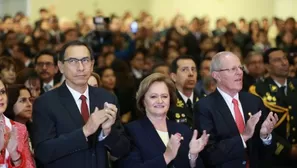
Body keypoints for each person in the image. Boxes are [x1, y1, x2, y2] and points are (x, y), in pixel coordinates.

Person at [32, 40, 130, 168]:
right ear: (61, 66)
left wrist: (107, 132)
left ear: (92, 64)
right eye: (73, 61)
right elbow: (43, 152)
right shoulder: (45, 102)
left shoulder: (106, 98)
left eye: (85, 60)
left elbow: (122, 151)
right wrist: (85, 131)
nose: (81, 67)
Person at [194, 51, 279, 168]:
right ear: (216, 75)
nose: (239, 72)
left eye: (240, 68)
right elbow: (209, 154)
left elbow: (269, 151)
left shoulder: (254, 101)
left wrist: (265, 137)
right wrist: (243, 137)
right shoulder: (204, 106)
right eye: (232, 69)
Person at [119, 73, 209, 168]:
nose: (160, 101)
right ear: (143, 100)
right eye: (153, 96)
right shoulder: (131, 131)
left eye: (164, 96)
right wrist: (166, 157)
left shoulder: (184, 130)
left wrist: (193, 156)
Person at [249, 48, 297, 167]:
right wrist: (287, 150)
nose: (284, 63)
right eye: (277, 60)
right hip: (274, 157)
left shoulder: (295, 85)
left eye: (285, 58)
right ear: (267, 66)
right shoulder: (258, 90)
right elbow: (259, 126)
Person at [0, 78, 35, 168]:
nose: (1, 97)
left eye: (2, 92)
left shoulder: (19, 129)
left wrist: (15, 156)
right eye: (23, 100)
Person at [168, 55, 201, 129]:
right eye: (184, 70)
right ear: (174, 77)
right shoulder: (168, 102)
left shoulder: (204, 100)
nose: (191, 74)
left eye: (193, 69)